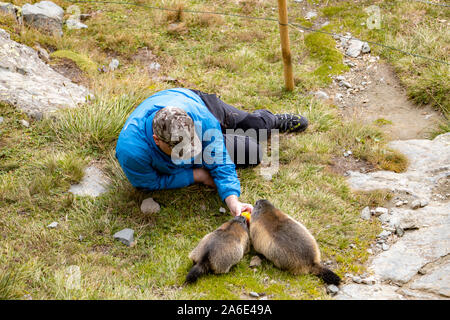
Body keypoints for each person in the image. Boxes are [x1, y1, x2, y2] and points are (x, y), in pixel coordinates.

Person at [115, 88, 308, 216]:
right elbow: (149, 182)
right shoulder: (132, 152)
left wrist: (233, 200)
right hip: (189, 125)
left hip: (200, 104)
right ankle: (221, 134)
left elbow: (221, 161)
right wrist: (195, 175)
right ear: (157, 140)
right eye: (180, 151)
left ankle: (270, 119)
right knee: (252, 152)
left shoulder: (199, 118)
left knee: (256, 129)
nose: (188, 154)